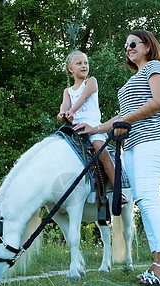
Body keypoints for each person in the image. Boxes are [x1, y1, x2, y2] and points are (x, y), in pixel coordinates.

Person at [73, 30, 160, 286]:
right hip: (132, 145)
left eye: (133, 43)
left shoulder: (155, 67)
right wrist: (96, 128)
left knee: (149, 198)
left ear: (148, 46)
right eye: (125, 46)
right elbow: (123, 114)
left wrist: (125, 121)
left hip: (153, 140)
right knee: (143, 200)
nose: (128, 48)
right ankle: (158, 263)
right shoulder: (135, 77)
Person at [57, 50, 126, 205]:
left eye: (86, 63)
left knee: (102, 153)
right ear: (70, 69)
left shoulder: (91, 82)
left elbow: (83, 97)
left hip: (92, 126)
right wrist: (62, 114)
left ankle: (117, 190)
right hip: (75, 128)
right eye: (79, 63)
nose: (84, 66)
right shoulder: (67, 91)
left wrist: (72, 111)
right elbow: (65, 105)